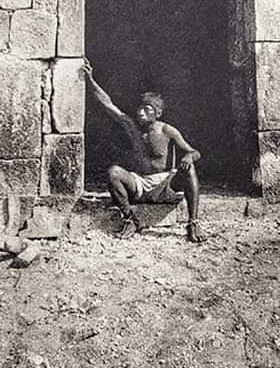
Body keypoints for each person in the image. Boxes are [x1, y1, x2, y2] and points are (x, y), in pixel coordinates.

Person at [82, 59, 205, 243]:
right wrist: (90, 79)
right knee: (113, 172)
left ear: (158, 113)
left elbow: (194, 152)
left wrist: (188, 157)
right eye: (140, 108)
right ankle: (130, 219)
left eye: (147, 109)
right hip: (139, 184)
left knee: (190, 170)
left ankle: (193, 223)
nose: (140, 112)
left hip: (165, 184)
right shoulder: (132, 127)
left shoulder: (167, 130)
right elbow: (108, 104)